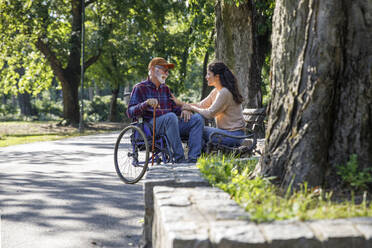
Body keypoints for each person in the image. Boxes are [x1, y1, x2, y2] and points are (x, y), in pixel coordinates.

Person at [127, 57, 204, 163]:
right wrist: (146, 103)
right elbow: (130, 112)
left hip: (170, 124)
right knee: (171, 117)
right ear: (153, 70)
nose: (167, 73)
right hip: (150, 127)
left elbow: (173, 108)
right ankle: (179, 159)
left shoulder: (165, 89)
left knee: (197, 119)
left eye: (168, 71)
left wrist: (183, 110)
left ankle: (193, 159)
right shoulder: (140, 88)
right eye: (165, 70)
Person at [172, 61, 246, 147]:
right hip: (226, 133)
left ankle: (192, 156)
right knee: (197, 128)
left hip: (234, 136)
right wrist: (181, 104)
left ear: (217, 77)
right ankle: (198, 153)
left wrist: (191, 108)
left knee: (197, 128)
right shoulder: (216, 91)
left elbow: (210, 114)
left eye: (208, 74)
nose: (206, 77)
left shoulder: (224, 92)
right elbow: (201, 105)